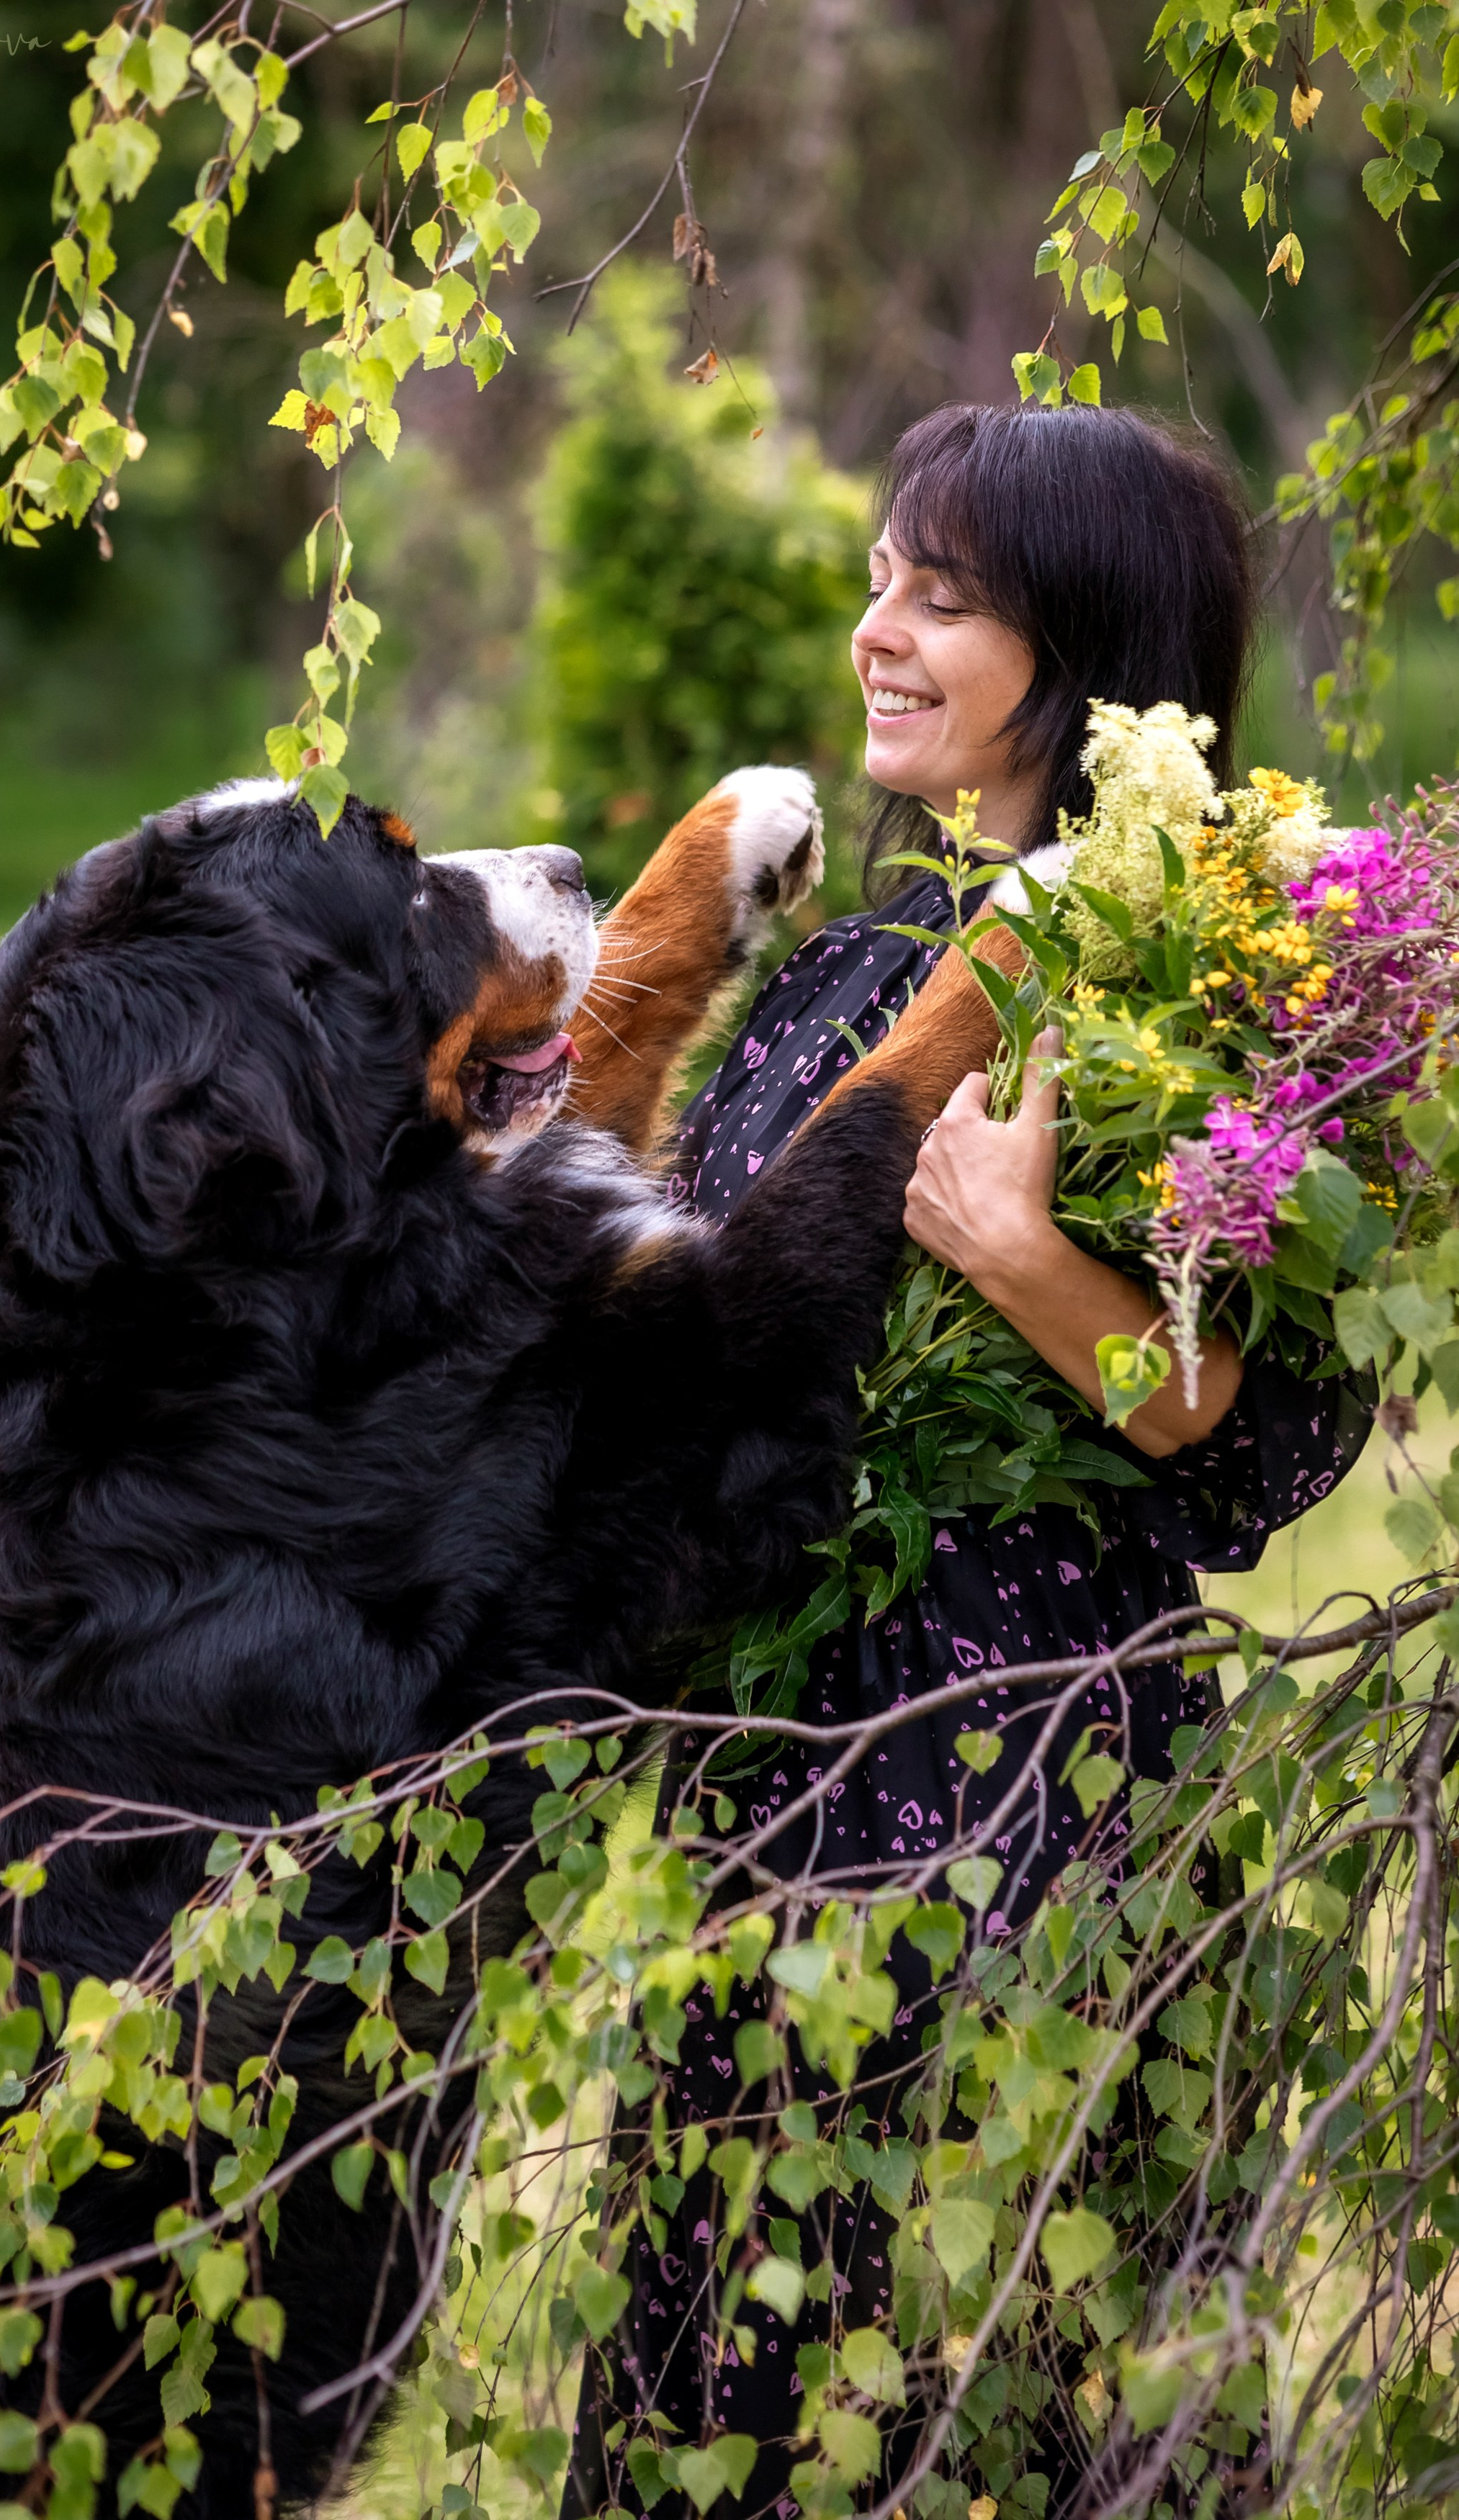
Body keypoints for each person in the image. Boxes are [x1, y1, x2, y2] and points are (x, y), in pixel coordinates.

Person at [560, 403, 1370, 2518]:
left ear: (1079, 650)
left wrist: (1020, 1255)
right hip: (782, 1779)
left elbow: (1257, 1449)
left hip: (1046, 1786)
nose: (877, 633)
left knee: (1046, 2374)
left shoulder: (1206, 987)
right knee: (736, 2377)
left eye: (942, 596)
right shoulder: (842, 973)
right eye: (878, 583)